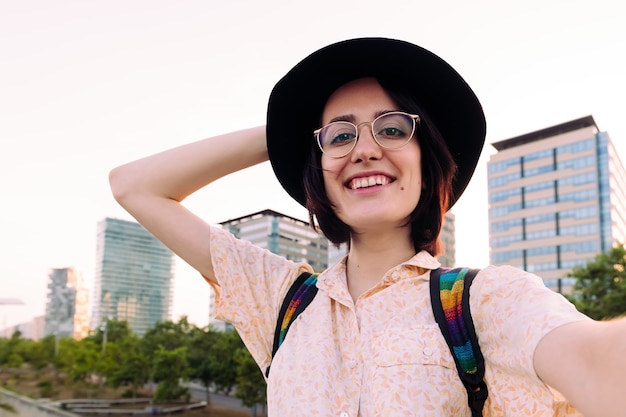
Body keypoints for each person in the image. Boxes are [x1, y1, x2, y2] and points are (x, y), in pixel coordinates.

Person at [109, 38, 626, 417]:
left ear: (430, 163)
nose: (364, 149)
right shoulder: (282, 302)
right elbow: (135, 185)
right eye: (339, 136)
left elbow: (597, 363)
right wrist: (289, 129)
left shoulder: (483, 301)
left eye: (393, 128)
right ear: (319, 170)